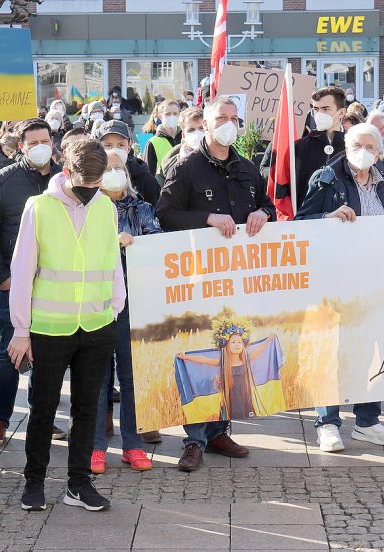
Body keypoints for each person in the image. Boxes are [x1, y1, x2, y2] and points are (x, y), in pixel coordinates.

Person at [155, 96, 274, 472]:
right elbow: (166, 214)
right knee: (200, 352)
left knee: (231, 349)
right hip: (199, 277)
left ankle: (220, 430)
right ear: (205, 124)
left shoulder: (247, 167)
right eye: (221, 118)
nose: (228, 123)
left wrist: (261, 213)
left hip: (238, 275)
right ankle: (193, 440)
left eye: (233, 118)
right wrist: (207, 217)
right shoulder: (186, 165)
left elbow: (268, 205)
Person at [7, 139, 122, 512]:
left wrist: (115, 306)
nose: (90, 192)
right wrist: (21, 330)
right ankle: (34, 481)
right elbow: (22, 271)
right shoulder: (39, 207)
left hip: (97, 324)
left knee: (88, 408)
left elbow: (112, 260)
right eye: (85, 184)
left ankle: (78, 483)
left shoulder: (105, 206)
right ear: (67, 172)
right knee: (43, 407)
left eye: (96, 184)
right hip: (49, 327)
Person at [294, 124, 384, 452]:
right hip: (335, 280)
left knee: (371, 351)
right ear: (346, 144)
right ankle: (327, 423)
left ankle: (368, 420)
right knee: (333, 350)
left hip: (375, 280)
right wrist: (328, 215)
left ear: (380, 151)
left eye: (370, 145)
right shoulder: (326, 178)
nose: (363, 150)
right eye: (357, 143)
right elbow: (301, 222)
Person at [0, 118, 65, 447]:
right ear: (21, 147)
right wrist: (1, 277)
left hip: (55, 284)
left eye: (46, 139)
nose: (41, 146)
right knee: (10, 352)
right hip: (15, 284)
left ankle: (43, 417)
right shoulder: (4, 179)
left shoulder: (64, 179)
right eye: (33, 142)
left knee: (49, 354)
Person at [89, 151, 160, 475]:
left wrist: (137, 244)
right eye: (106, 168)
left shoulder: (142, 208)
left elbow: (158, 246)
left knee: (131, 378)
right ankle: (95, 447)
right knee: (99, 378)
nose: (113, 173)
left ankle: (133, 445)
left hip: (134, 301)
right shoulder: (87, 210)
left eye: (118, 167)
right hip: (97, 303)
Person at [94, 120, 160, 206]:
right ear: (99, 148)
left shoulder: (146, 181)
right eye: (108, 146)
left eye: (120, 145)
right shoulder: (93, 179)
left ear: (129, 146)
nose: (115, 150)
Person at [157, 107, 205, 188]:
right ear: (183, 135)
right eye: (191, 130)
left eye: (201, 128)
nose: (197, 133)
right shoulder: (169, 164)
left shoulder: (223, 158)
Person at [144, 100, 182, 174]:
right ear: (160, 116)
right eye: (167, 114)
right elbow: (148, 174)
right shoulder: (152, 143)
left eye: (175, 114)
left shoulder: (185, 138)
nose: (172, 117)